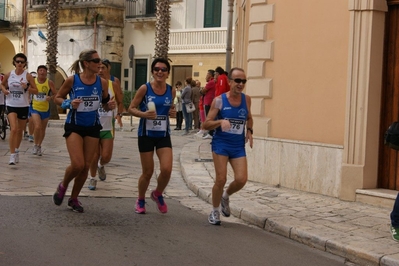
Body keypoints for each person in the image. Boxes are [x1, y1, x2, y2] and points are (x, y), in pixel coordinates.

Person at [52, 49, 115, 213]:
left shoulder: (101, 83)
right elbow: (57, 98)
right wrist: (68, 104)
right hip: (75, 125)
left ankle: (73, 198)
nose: (100, 64)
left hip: (93, 126)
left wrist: (110, 105)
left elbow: (105, 103)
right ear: (86, 63)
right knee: (77, 164)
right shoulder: (73, 80)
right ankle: (63, 185)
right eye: (96, 61)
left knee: (86, 166)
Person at [203, 67, 253, 225]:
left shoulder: (247, 99)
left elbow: (249, 117)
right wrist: (220, 122)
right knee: (221, 179)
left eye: (243, 81)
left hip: (238, 146)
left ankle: (225, 197)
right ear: (230, 81)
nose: (240, 84)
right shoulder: (219, 100)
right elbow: (206, 124)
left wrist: (249, 130)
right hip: (221, 144)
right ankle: (215, 211)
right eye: (237, 80)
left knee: (241, 179)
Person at [128, 57, 176, 214]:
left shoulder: (171, 90)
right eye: (156, 69)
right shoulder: (145, 88)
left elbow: (170, 109)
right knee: (148, 172)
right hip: (146, 134)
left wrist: (172, 112)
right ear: (152, 72)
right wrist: (143, 114)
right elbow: (131, 108)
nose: (160, 72)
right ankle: (140, 199)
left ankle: (157, 193)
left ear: (168, 73)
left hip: (163, 134)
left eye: (163, 69)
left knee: (167, 169)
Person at [88, 59, 123, 190]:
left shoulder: (113, 84)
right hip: (92, 125)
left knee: (107, 156)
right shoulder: (90, 84)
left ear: (108, 69)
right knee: (94, 154)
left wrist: (119, 114)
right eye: (99, 68)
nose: (101, 70)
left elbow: (120, 101)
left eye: (103, 68)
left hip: (108, 125)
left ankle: (101, 165)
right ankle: (92, 178)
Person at [0, 53, 38, 165]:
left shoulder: (28, 76)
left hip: (23, 105)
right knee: (14, 129)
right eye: (18, 61)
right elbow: (2, 85)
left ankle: (16, 150)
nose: (20, 63)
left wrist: (27, 87)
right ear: (14, 63)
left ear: (25, 63)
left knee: (20, 131)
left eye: (22, 62)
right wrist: (4, 90)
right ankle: (12, 155)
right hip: (11, 104)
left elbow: (36, 90)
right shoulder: (9, 74)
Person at [30, 66, 57, 156]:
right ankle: (35, 145)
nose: (42, 72)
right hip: (35, 107)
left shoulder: (49, 82)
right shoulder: (33, 81)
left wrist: (51, 97)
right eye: (40, 70)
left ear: (46, 73)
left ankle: (39, 145)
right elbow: (28, 90)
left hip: (45, 108)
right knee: (37, 126)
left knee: (42, 129)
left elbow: (56, 94)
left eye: (44, 71)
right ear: (37, 72)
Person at [202, 69, 215, 139]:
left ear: (210, 75)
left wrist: (202, 90)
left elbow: (203, 90)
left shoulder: (211, 82)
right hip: (209, 102)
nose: (206, 76)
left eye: (207, 75)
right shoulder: (212, 82)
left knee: (209, 118)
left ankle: (211, 133)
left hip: (208, 102)